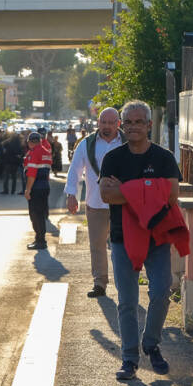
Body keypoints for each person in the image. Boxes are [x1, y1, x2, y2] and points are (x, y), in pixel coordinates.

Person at [99, 101, 182, 381]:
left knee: (161, 291)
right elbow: (106, 196)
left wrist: (127, 190)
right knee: (127, 302)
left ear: (149, 125)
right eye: (129, 122)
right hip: (122, 238)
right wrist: (148, 189)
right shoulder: (113, 159)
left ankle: (152, 343)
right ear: (123, 125)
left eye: (139, 122)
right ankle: (130, 358)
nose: (134, 126)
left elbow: (170, 197)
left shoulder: (164, 158)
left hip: (157, 237)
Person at [64, 107, 123, 298]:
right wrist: (72, 195)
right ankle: (100, 283)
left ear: (118, 123)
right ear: (98, 123)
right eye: (103, 122)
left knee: (122, 246)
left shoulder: (127, 142)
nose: (107, 126)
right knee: (97, 245)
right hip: (96, 204)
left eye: (111, 123)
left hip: (123, 204)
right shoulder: (86, 144)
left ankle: (125, 283)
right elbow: (75, 171)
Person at [23, 131, 53, 250]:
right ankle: (40, 239)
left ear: (30, 142)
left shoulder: (34, 153)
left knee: (35, 215)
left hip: (36, 187)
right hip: (44, 186)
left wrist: (28, 190)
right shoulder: (46, 152)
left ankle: (40, 240)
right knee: (41, 214)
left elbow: (32, 174)